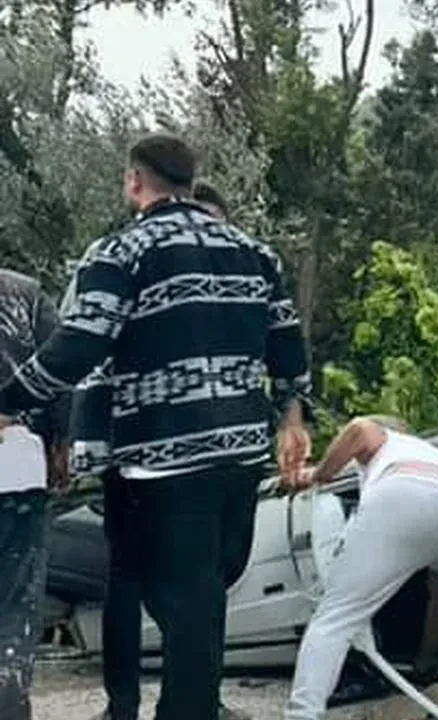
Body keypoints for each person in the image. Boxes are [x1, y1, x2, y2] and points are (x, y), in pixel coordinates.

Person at [0, 134, 313, 720]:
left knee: (179, 602)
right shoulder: (255, 252)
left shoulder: (122, 253)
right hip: (242, 455)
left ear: (134, 181)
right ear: (193, 184)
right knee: (204, 601)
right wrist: (293, 416)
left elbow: (80, 344)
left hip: (164, 461)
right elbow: (289, 346)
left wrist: (14, 401)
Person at [74, 180, 255, 720]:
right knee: (129, 578)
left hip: (214, 453)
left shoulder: (230, 273)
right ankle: (123, 704)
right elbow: (88, 348)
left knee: (206, 582)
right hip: (137, 451)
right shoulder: (122, 262)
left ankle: (196, 697)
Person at [284, 416, 438, 720]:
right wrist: (425, 661)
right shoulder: (437, 455)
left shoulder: (388, 438)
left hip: (403, 489)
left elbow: (359, 429)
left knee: (337, 616)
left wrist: (319, 474)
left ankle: (303, 715)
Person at [0, 269, 70, 720]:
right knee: (15, 598)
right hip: (17, 459)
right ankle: (8, 692)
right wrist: (60, 443)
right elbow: (62, 367)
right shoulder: (25, 292)